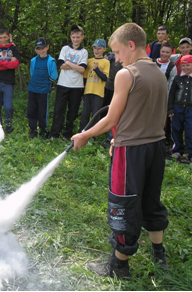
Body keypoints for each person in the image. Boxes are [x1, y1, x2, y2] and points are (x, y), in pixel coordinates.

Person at [71, 23, 169, 278]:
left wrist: (85, 134)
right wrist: (128, 133)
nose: (116, 57)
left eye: (117, 51)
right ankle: (159, 253)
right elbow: (151, 114)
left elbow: (111, 118)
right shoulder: (159, 72)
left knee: (124, 204)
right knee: (150, 199)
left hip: (131, 153)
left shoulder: (128, 74)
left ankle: (119, 267)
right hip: (156, 147)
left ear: (131, 45)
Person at [49, 24, 88, 140]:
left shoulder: (84, 52)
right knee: (59, 109)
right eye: (73, 37)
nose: (75, 39)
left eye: (78, 37)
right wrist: (75, 66)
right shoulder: (65, 49)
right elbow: (61, 65)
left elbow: (82, 69)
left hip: (77, 86)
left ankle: (67, 134)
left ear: (82, 37)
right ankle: (55, 134)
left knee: (73, 111)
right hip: (62, 84)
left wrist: (69, 63)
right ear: (70, 37)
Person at [168, 55, 192, 164]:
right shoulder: (178, 78)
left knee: (191, 131)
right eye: (183, 65)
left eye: (188, 65)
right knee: (176, 129)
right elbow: (172, 94)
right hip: (177, 108)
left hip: (191, 109)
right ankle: (177, 150)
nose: (185, 67)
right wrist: (170, 109)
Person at [0, 27, 20, 134]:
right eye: (0, 37)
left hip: (8, 82)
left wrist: (1, 62)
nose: (3, 40)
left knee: (8, 106)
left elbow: (15, 64)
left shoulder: (14, 49)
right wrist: (8, 63)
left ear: (9, 36)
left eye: (5, 37)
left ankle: (9, 127)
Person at [27, 38, 58, 139]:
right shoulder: (33, 60)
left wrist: (46, 83)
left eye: (42, 48)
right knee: (31, 110)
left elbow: (54, 76)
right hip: (32, 88)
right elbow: (32, 73)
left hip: (43, 90)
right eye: (38, 49)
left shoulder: (51, 61)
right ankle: (33, 130)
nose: (41, 51)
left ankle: (43, 130)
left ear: (47, 47)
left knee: (42, 111)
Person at [78, 39, 110, 132]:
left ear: (104, 49)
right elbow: (84, 78)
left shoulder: (106, 62)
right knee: (85, 114)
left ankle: (93, 134)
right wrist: (81, 93)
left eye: (99, 48)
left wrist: (96, 69)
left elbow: (105, 78)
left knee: (95, 114)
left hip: (98, 93)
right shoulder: (89, 61)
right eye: (95, 48)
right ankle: (82, 132)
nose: (96, 50)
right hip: (88, 91)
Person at [153, 42, 177, 149]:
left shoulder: (172, 67)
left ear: (171, 53)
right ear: (160, 51)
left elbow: (172, 85)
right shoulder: (153, 63)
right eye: (163, 51)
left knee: (163, 121)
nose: (164, 54)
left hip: (164, 98)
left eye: (167, 52)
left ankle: (164, 142)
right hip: (151, 96)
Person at [102, 52, 122, 148]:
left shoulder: (126, 60)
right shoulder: (109, 58)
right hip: (107, 88)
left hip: (119, 91)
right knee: (106, 112)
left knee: (115, 114)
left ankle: (111, 138)